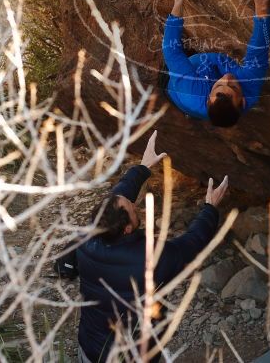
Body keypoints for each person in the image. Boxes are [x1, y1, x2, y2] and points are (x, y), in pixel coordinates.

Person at [76, 131, 230, 363]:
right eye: (131, 208)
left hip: (91, 346)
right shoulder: (150, 259)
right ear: (127, 228)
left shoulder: (89, 236)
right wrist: (210, 207)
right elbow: (192, 243)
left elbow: (117, 197)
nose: (133, 204)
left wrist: (143, 167)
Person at [161, 0, 270, 127]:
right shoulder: (250, 87)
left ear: (208, 98)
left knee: (174, 65)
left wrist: (178, 0)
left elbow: (171, 51)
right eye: (233, 87)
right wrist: (261, 5)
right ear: (243, 99)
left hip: (177, 88)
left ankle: (191, 110)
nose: (227, 78)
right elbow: (261, 44)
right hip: (202, 74)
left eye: (219, 86)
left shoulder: (191, 91)